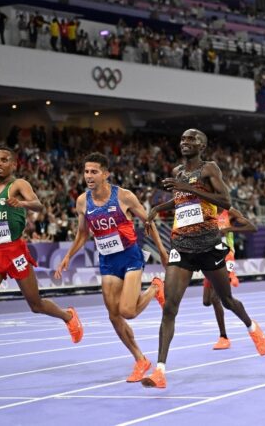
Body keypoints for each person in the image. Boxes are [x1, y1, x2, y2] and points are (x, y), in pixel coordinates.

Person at [142, 129, 265, 388]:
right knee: (170, 308)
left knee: (226, 299)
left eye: (191, 139)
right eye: (182, 139)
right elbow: (182, 200)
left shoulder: (209, 168)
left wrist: (188, 188)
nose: (185, 142)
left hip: (209, 244)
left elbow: (224, 200)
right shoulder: (178, 172)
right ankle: (160, 371)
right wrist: (158, 208)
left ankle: (252, 327)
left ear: (202, 145)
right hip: (182, 245)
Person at [0, 147, 83, 381]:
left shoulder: (18, 184)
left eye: (4, 160)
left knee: (35, 304)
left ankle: (68, 317)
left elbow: (38, 204)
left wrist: (22, 204)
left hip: (15, 251)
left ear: (13, 164)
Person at [54, 152, 167, 382]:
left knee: (128, 311)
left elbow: (148, 222)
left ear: (105, 174)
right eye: (86, 171)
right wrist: (68, 256)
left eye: (94, 171)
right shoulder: (82, 201)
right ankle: (140, 359)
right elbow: (83, 233)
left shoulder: (124, 196)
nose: (89, 176)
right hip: (107, 261)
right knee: (114, 316)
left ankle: (155, 288)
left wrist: (163, 252)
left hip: (130, 257)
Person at [203, 206, 257, 350]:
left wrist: (229, 229)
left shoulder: (230, 212)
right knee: (207, 301)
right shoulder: (207, 211)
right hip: (209, 257)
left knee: (216, 298)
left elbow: (252, 228)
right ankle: (238, 307)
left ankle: (223, 337)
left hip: (227, 257)